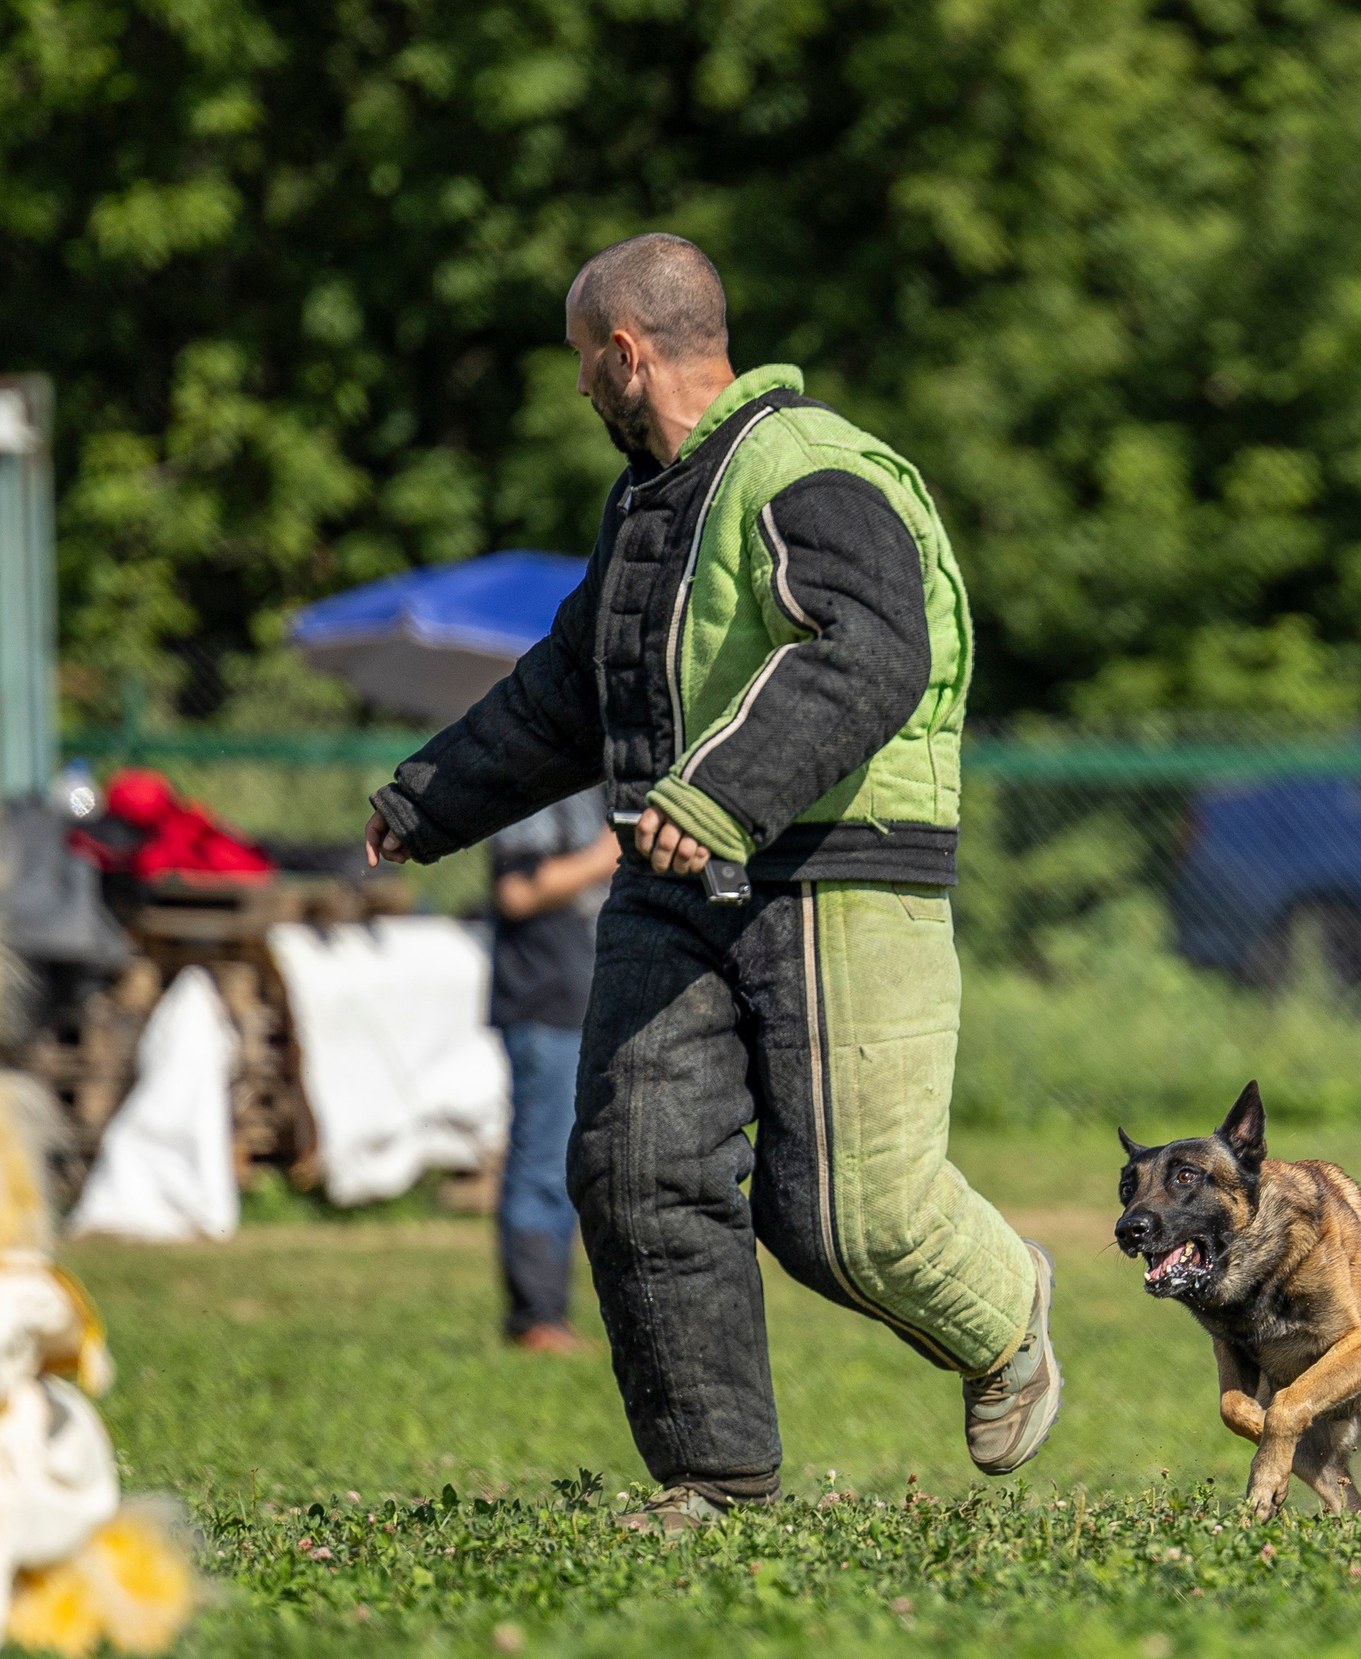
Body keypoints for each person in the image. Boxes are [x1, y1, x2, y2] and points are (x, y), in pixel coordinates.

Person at [365, 234, 1059, 1531]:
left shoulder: (814, 469)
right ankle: (715, 1478)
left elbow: (870, 650)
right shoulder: (646, 505)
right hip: (674, 876)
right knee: (633, 1167)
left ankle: (1007, 1308)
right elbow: (571, 690)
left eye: (583, 359)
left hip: (835, 867)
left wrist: (720, 790)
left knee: (843, 1218)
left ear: (626, 354)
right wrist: (426, 798)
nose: (579, 385)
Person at [487, 787, 618, 1353]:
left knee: (576, 1163)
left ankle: (552, 1313)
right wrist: (606, 856)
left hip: (592, 1002)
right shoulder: (538, 784)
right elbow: (515, 890)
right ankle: (535, 1316)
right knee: (544, 1161)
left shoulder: (605, 783)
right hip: (545, 1004)